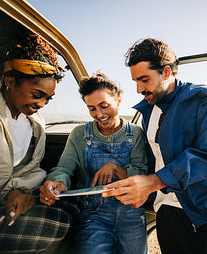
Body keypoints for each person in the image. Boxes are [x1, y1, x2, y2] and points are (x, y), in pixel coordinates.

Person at [103, 38, 207, 254]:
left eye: (144, 79)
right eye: (135, 81)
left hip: (205, 208)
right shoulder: (148, 110)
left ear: (167, 72)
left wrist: (154, 182)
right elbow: (157, 158)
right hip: (166, 207)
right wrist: (145, 190)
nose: (138, 89)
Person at [0, 27, 70, 253]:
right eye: (37, 95)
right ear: (10, 81)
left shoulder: (34, 122)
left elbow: (25, 170)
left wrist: (15, 192)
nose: (42, 104)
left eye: (48, 99)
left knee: (65, 213)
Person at [40, 72, 149, 254]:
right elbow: (63, 169)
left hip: (131, 213)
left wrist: (116, 168)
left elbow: (141, 174)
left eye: (104, 106)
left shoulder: (136, 134)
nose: (99, 114)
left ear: (119, 101)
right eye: (91, 109)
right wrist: (58, 181)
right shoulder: (79, 134)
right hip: (93, 215)